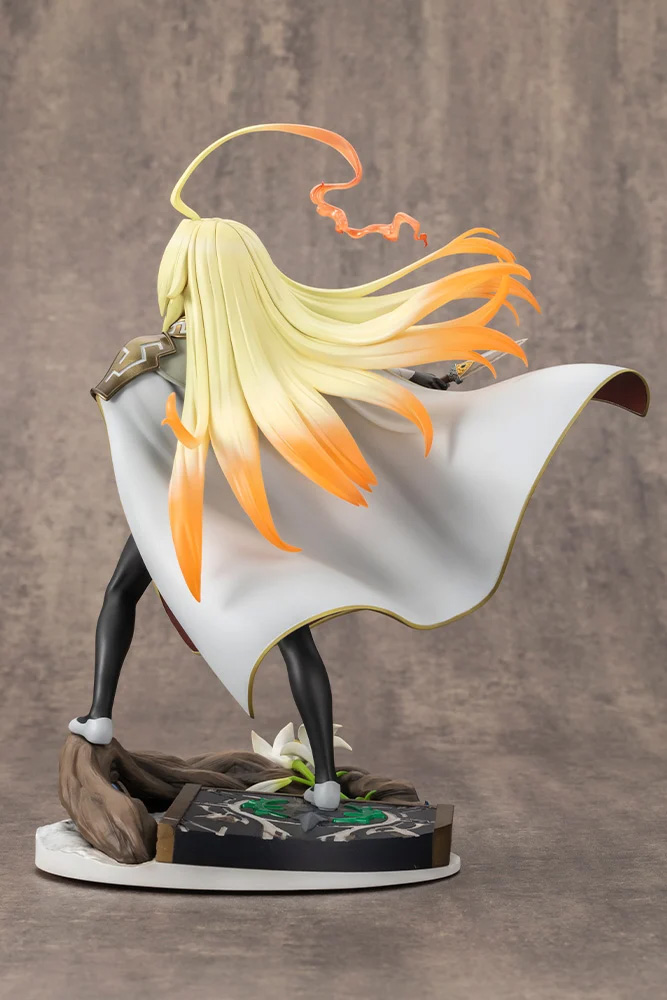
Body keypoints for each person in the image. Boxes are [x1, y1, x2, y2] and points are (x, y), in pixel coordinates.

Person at [69, 124, 648, 810]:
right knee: (292, 638)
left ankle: (102, 715)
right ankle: (322, 781)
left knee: (123, 593)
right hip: (229, 511)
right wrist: (427, 383)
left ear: (181, 275)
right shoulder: (269, 345)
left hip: (197, 510)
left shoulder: (158, 354)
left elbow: (126, 410)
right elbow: (353, 368)